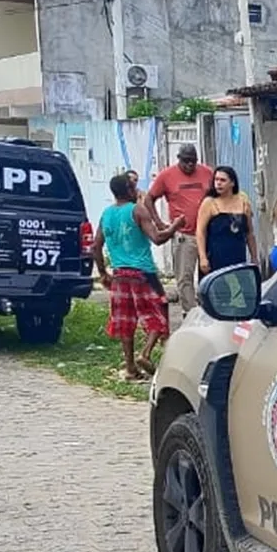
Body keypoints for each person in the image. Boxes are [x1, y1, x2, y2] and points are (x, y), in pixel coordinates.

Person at [93, 173, 172, 380]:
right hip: (143, 273)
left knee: (125, 322)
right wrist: (175, 228)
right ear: (129, 190)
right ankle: (145, 353)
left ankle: (130, 368)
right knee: (159, 310)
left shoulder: (106, 214)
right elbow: (157, 239)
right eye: (133, 186)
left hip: (119, 275)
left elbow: (96, 246)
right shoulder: (137, 210)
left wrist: (103, 273)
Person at [137, 143, 210, 316]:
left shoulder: (207, 172)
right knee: (184, 276)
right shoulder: (167, 176)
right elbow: (149, 199)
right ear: (179, 159)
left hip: (208, 234)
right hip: (185, 234)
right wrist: (159, 223)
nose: (190, 165)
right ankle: (190, 313)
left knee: (208, 275)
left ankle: (209, 311)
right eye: (186, 161)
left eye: (193, 161)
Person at [196, 165, 260, 280]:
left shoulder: (243, 202)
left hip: (237, 256)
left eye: (223, 180)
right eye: (216, 180)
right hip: (216, 257)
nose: (218, 183)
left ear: (232, 183)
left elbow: (250, 233)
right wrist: (203, 257)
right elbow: (200, 232)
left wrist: (254, 257)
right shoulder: (209, 203)